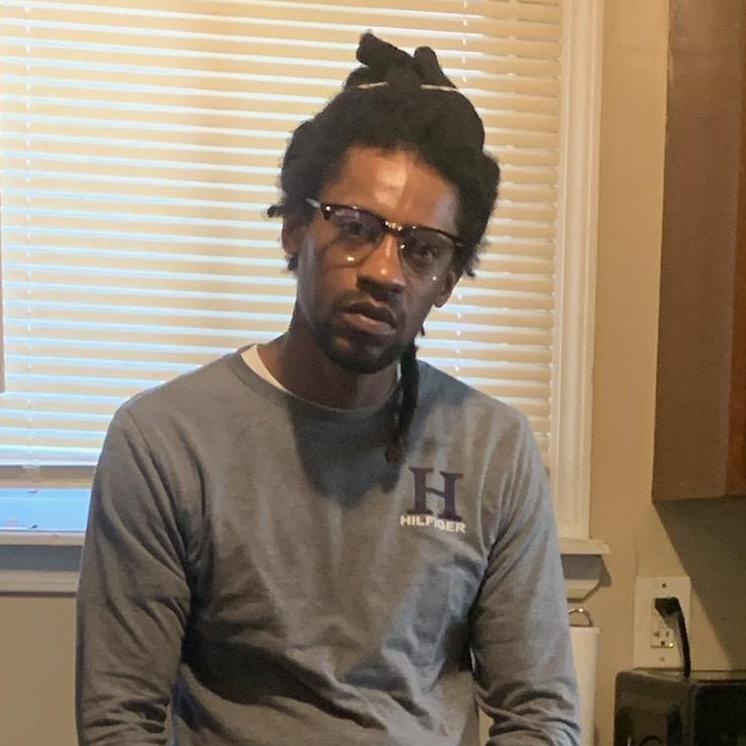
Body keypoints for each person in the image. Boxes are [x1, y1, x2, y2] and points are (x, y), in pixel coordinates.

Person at [76, 33, 580, 746]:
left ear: (447, 280)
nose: (385, 272)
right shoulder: (165, 442)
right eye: (355, 228)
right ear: (292, 229)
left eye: (422, 249)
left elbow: (542, 714)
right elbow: (119, 719)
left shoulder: (494, 449)